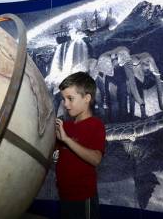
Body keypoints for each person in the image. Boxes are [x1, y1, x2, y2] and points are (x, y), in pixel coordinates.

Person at [54, 71, 106, 219]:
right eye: (64, 99)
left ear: (87, 98)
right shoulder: (66, 126)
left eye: (70, 98)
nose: (66, 104)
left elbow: (96, 159)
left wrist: (66, 140)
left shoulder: (96, 125)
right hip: (64, 195)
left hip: (83, 198)